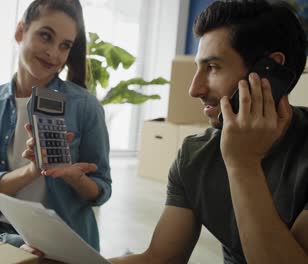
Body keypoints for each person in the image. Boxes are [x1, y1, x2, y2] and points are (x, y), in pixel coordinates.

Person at [110, 0, 308, 263]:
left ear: (267, 72)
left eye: (213, 67)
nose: (194, 89)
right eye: (198, 68)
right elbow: (160, 259)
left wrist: (243, 165)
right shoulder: (196, 155)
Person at [0, 0, 111, 251]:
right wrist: (33, 170)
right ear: (21, 31)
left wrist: (77, 179)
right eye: (46, 36)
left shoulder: (85, 106)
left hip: (57, 240)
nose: (54, 54)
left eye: (64, 46)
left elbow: (101, 191)